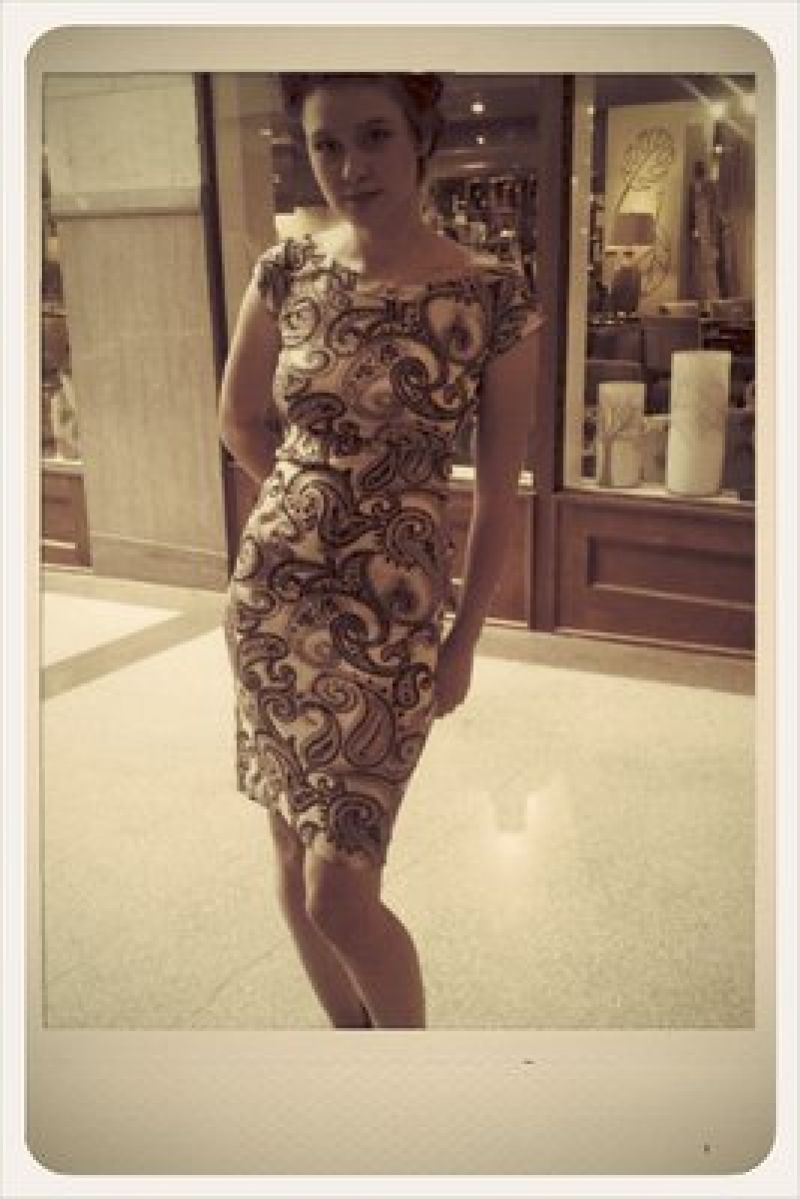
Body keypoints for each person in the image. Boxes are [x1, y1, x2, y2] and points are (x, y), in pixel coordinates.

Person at [218, 72, 543, 1029]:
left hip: (393, 624)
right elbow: (238, 419)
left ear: (421, 138)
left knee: (339, 893)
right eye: (326, 144)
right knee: (289, 854)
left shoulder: (494, 295)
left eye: (374, 136)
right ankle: (351, 1056)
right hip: (272, 605)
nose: (350, 166)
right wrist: (312, 506)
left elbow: (497, 494)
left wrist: (464, 641)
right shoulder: (285, 270)